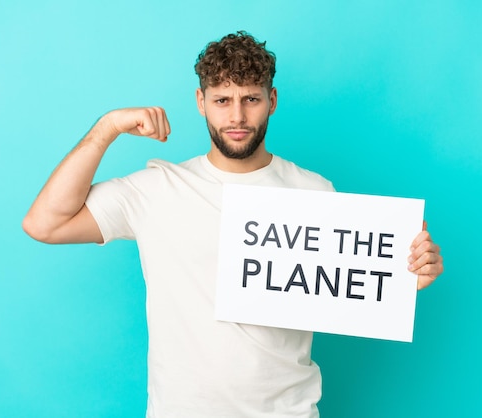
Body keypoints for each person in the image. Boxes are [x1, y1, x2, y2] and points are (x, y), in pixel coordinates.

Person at [23, 31, 443, 418]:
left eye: (251, 99)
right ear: (201, 102)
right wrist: (107, 127)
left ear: (272, 100)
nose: (237, 116)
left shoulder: (315, 192)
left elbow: (348, 283)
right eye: (223, 100)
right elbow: (45, 224)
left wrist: (409, 272)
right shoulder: (157, 189)